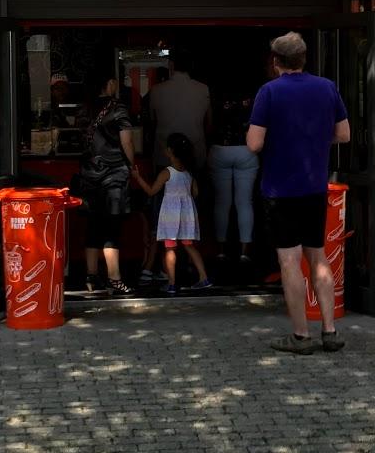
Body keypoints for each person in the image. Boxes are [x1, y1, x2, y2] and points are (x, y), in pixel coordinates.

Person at [246, 31, 350, 354]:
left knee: (289, 261)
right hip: (314, 187)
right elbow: (343, 134)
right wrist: (316, 141)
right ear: (304, 59)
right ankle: (330, 331)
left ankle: (301, 335)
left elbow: (254, 143)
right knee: (318, 257)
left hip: (281, 189)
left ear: (275, 62)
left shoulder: (269, 93)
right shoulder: (327, 88)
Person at [79, 77, 145, 298]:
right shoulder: (118, 108)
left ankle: (91, 277)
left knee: (93, 225)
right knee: (111, 227)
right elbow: (127, 141)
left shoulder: (84, 107)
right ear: (109, 84)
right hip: (113, 174)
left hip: (89, 173)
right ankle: (115, 279)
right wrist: (132, 165)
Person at [137, 132, 212, 296]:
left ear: (170, 150)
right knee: (189, 245)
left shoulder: (166, 172)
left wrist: (138, 178)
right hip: (186, 213)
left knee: (170, 248)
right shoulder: (188, 173)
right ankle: (204, 277)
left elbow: (151, 191)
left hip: (171, 213)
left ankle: (171, 283)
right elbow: (196, 193)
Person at [208, 85, 260, 264]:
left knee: (222, 202)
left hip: (220, 149)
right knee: (245, 202)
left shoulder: (215, 99)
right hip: (245, 149)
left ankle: (221, 250)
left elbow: (208, 124)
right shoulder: (252, 101)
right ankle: (245, 251)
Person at [147, 50, 211, 168]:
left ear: (171, 65)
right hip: (196, 154)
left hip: (165, 156)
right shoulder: (203, 89)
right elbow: (209, 123)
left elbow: (152, 122)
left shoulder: (156, 90)